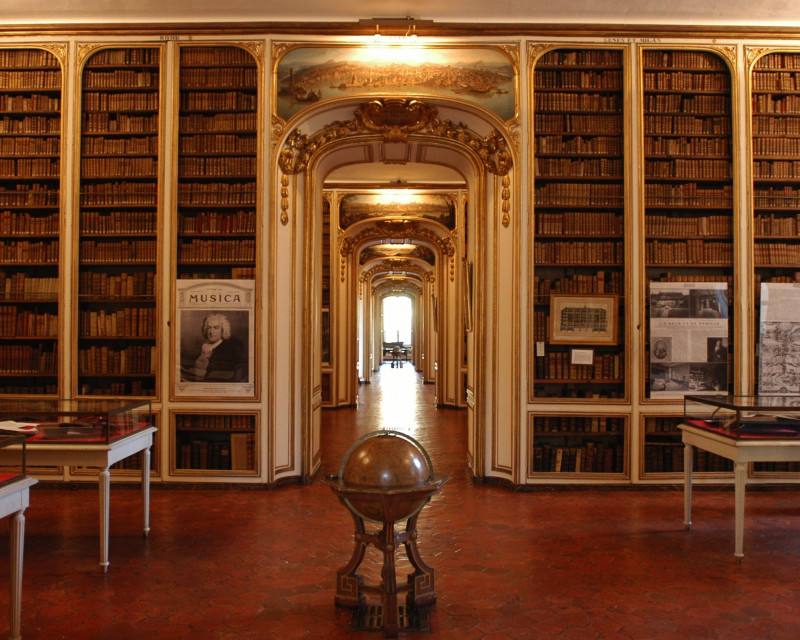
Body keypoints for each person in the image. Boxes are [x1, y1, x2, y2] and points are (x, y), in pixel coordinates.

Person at [186, 312, 247, 382]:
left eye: (216, 328)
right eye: (209, 328)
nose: (211, 331)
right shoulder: (204, 347)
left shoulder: (228, 350)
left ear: (223, 330)